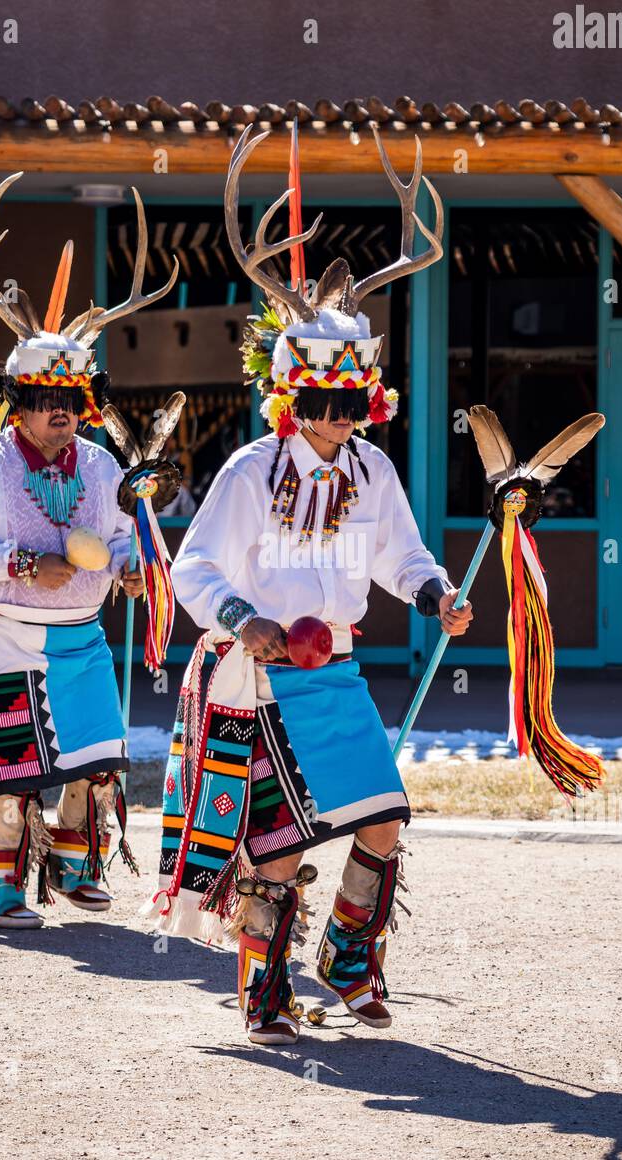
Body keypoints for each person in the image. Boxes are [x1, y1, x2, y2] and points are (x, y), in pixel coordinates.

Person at [150, 125, 473, 1043]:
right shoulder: (251, 470)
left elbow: (401, 555)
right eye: (319, 403)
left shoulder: (372, 470)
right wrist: (244, 618)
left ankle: (348, 956)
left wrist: (433, 595)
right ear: (292, 398)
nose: (336, 418)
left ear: (367, 399)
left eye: (350, 402)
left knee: (382, 820)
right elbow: (194, 566)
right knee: (281, 847)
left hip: (332, 676)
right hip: (258, 680)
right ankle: (264, 991)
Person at [0, 173, 179, 928]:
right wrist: (27, 564)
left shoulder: (100, 467)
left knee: (97, 757)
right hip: (5, 636)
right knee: (13, 766)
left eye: (70, 399)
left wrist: (130, 565)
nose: (58, 410)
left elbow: (122, 533)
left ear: (86, 403)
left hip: (82, 637)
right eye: (42, 399)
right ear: (16, 401)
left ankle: (74, 861)